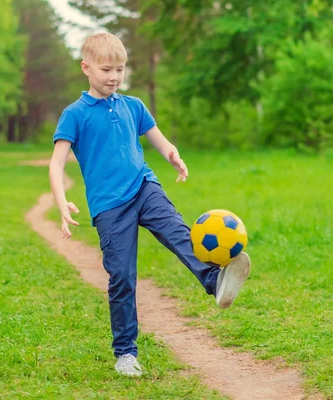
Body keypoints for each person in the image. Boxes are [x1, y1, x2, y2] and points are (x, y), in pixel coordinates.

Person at [48, 32, 251, 377]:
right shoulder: (75, 114)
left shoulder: (133, 106)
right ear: (86, 68)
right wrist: (62, 200)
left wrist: (172, 154)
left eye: (120, 70)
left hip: (144, 187)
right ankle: (125, 352)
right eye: (106, 69)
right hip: (109, 207)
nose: (113, 77)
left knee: (179, 233)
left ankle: (215, 280)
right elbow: (56, 162)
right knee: (122, 277)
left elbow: (158, 138)